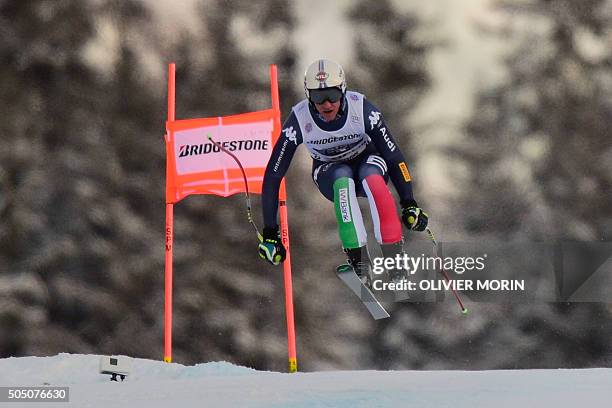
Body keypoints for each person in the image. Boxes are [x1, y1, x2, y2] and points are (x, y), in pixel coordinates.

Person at [258, 59, 428, 286]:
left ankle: (395, 260)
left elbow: (394, 157)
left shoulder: (363, 110)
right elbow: (273, 174)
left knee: (373, 179)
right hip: (329, 169)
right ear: (309, 96)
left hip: (366, 160)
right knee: (342, 180)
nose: (326, 104)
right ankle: (360, 263)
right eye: (318, 97)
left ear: (344, 91)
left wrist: (409, 202)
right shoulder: (299, 120)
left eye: (333, 95)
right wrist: (270, 231)